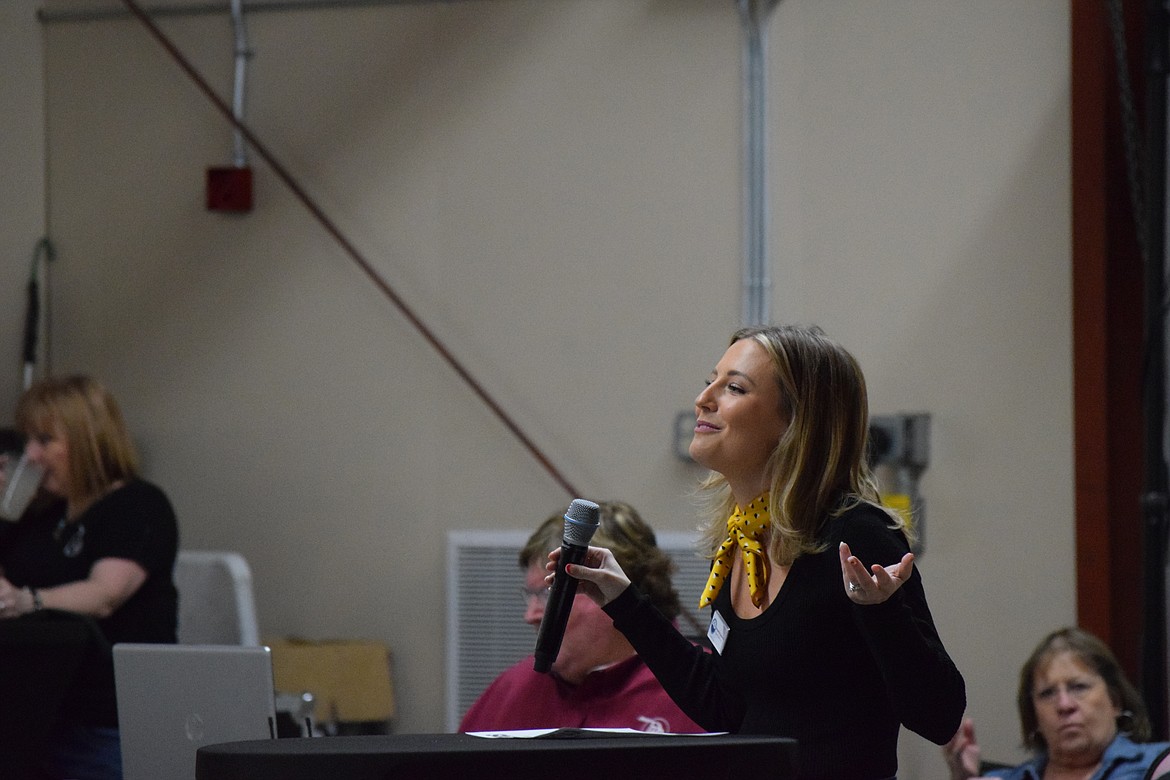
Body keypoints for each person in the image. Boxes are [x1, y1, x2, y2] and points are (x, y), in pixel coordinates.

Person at [553, 324, 966, 779]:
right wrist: (623, 601)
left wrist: (883, 611)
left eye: (733, 387)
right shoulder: (740, 542)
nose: (704, 398)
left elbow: (939, 716)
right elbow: (724, 709)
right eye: (710, 380)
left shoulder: (858, 534)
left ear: (794, 423)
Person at [0, 375, 179, 780]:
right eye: (27, 440)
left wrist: (31, 601)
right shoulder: (42, 516)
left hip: (106, 722)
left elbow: (104, 594)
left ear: (86, 439)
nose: (30, 455)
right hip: (38, 718)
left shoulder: (137, 505)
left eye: (44, 440)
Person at [459, 500, 703, 734]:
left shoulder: (701, 691)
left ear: (614, 591)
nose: (530, 615)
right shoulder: (511, 689)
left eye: (548, 593)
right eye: (530, 595)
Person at [943, 626, 1170, 780]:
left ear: (1115, 701)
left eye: (1079, 687)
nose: (1064, 705)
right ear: (1034, 715)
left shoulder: (1159, 765)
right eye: (1048, 693)